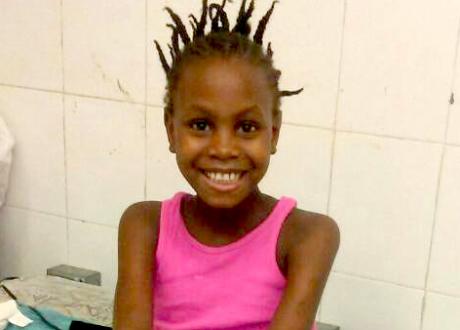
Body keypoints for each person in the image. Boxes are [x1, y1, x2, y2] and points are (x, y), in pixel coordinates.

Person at [113, 1, 340, 329]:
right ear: (171, 130)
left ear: (273, 134)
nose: (223, 149)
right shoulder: (145, 227)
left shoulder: (307, 237)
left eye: (246, 127)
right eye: (201, 125)